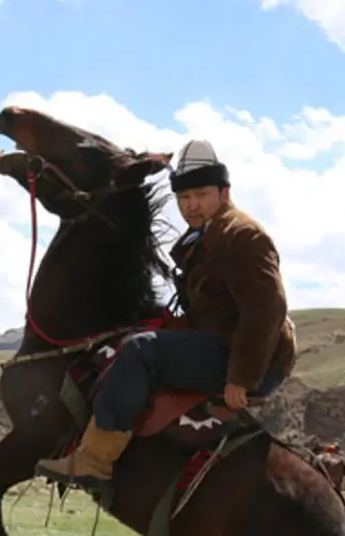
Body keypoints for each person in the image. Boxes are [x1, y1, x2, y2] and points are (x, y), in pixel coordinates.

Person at [35, 139, 297, 497]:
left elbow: (266, 309)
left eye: (201, 195)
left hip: (253, 358)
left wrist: (241, 378)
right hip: (223, 341)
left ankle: (95, 460)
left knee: (142, 350)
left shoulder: (243, 236)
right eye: (184, 198)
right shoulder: (202, 235)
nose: (192, 205)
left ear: (224, 192)